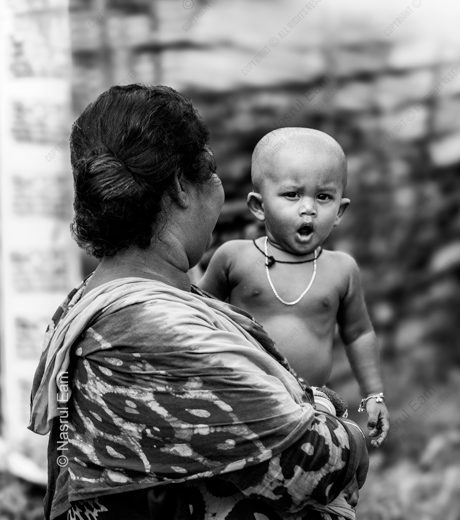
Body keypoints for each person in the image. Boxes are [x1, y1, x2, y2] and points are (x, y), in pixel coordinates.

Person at [28, 85, 368, 520]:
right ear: (180, 187)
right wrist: (342, 425)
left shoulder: (90, 301)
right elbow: (317, 464)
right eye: (210, 170)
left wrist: (314, 406)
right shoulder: (148, 330)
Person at [200, 128, 390, 447]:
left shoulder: (341, 269)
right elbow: (199, 315)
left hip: (312, 402)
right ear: (259, 206)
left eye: (323, 197)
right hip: (244, 392)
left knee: (333, 452)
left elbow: (358, 333)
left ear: (340, 211)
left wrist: (373, 395)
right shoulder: (234, 258)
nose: (308, 208)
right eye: (292, 194)